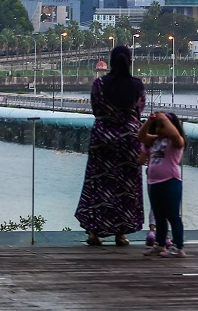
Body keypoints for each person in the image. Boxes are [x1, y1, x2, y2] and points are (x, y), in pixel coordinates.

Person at [75, 45, 146, 246]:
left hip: (102, 140)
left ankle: (93, 233)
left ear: (111, 61)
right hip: (129, 141)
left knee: (98, 185)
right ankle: (120, 235)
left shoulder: (100, 84)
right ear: (130, 61)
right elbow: (138, 112)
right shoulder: (137, 85)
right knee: (125, 188)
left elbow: (96, 109)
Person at [138, 111, 187, 257]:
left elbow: (175, 135)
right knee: (159, 216)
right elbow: (140, 136)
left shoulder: (176, 142)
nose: (160, 130)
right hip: (154, 182)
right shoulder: (153, 141)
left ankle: (179, 247)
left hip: (171, 181)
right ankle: (160, 244)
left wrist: (165, 119)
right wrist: (149, 122)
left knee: (173, 215)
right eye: (158, 127)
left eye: (163, 126)